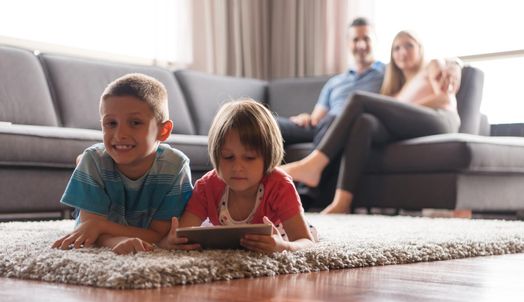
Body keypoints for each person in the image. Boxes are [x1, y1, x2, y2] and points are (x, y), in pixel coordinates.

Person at [281, 30, 462, 214]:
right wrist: (399, 105)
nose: (402, 52)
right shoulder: (397, 91)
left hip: (442, 119)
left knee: (358, 98)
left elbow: (444, 97)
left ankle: (313, 165)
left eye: (409, 45)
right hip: (414, 125)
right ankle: (342, 201)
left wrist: (455, 65)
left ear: (420, 48)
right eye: (396, 48)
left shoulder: (431, 65)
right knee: (364, 122)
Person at [52, 73, 193, 254]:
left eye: (135, 123)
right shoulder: (94, 161)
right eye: (111, 123)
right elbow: (88, 229)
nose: (120, 134)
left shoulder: (175, 166)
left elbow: (160, 234)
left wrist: (101, 226)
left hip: (114, 222)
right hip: (97, 167)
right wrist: (114, 240)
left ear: (163, 131)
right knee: (90, 159)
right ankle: (82, 168)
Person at [158, 99, 317, 253]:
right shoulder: (206, 186)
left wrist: (283, 246)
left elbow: (306, 242)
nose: (237, 167)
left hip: (280, 236)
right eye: (228, 157)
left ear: (268, 156)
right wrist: (172, 242)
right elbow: (180, 234)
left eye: (249, 158)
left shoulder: (279, 184)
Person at [276, 17, 385, 147]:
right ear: (348, 44)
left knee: (334, 119)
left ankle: (314, 164)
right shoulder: (335, 82)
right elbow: (316, 119)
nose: (361, 45)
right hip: (325, 126)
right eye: (355, 40)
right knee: (267, 124)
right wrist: (306, 118)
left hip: (353, 127)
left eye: (366, 39)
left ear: (376, 41)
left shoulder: (386, 75)